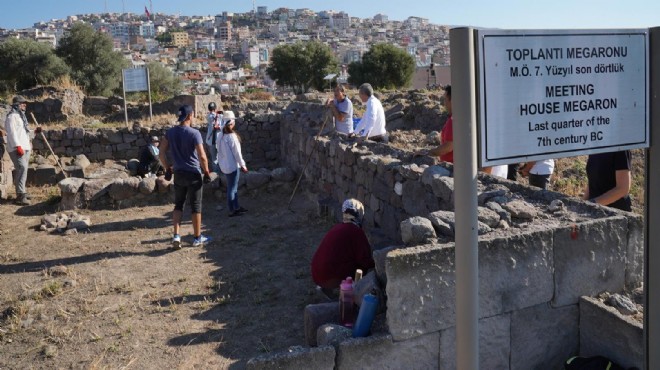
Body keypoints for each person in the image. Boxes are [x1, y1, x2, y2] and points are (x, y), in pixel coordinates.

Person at [158, 105, 213, 249]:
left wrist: (167, 168)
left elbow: (161, 152)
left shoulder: (170, 133)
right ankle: (197, 238)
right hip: (193, 174)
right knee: (196, 206)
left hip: (179, 174)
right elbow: (202, 156)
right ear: (189, 116)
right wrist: (206, 172)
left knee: (178, 205)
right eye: (193, 115)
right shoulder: (194, 133)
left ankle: (176, 235)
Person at [311, 199, 375, 293]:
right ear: (359, 214)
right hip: (328, 278)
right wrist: (378, 263)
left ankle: (327, 286)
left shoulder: (337, 228)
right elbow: (365, 260)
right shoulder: (356, 232)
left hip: (317, 273)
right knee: (361, 267)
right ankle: (353, 289)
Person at [5, 96, 40, 205]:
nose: (25, 105)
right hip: (17, 148)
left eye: (25, 103)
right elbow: (11, 133)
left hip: (25, 147)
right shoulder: (11, 117)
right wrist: (17, 146)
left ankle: (22, 192)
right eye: (22, 103)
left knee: (24, 170)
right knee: (22, 168)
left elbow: (25, 133)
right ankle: (20, 196)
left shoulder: (21, 117)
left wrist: (35, 131)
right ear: (17, 104)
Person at [216, 111, 248, 217]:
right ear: (231, 122)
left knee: (232, 187)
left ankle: (236, 207)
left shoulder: (221, 135)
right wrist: (242, 165)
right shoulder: (232, 137)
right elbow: (237, 153)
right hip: (232, 166)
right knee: (232, 188)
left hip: (225, 166)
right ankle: (232, 210)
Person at [414, 85, 453, 162]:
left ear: (452, 100)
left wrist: (428, 152)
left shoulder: (454, 120)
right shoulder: (455, 118)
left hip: (453, 169)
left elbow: (448, 146)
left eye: (445, 99)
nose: (444, 103)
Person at [205, 102, 222, 173]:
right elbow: (222, 125)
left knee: (214, 158)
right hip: (218, 140)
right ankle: (220, 173)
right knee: (219, 157)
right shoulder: (219, 116)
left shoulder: (209, 116)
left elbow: (211, 116)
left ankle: (217, 173)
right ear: (215, 108)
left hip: (213, 141)